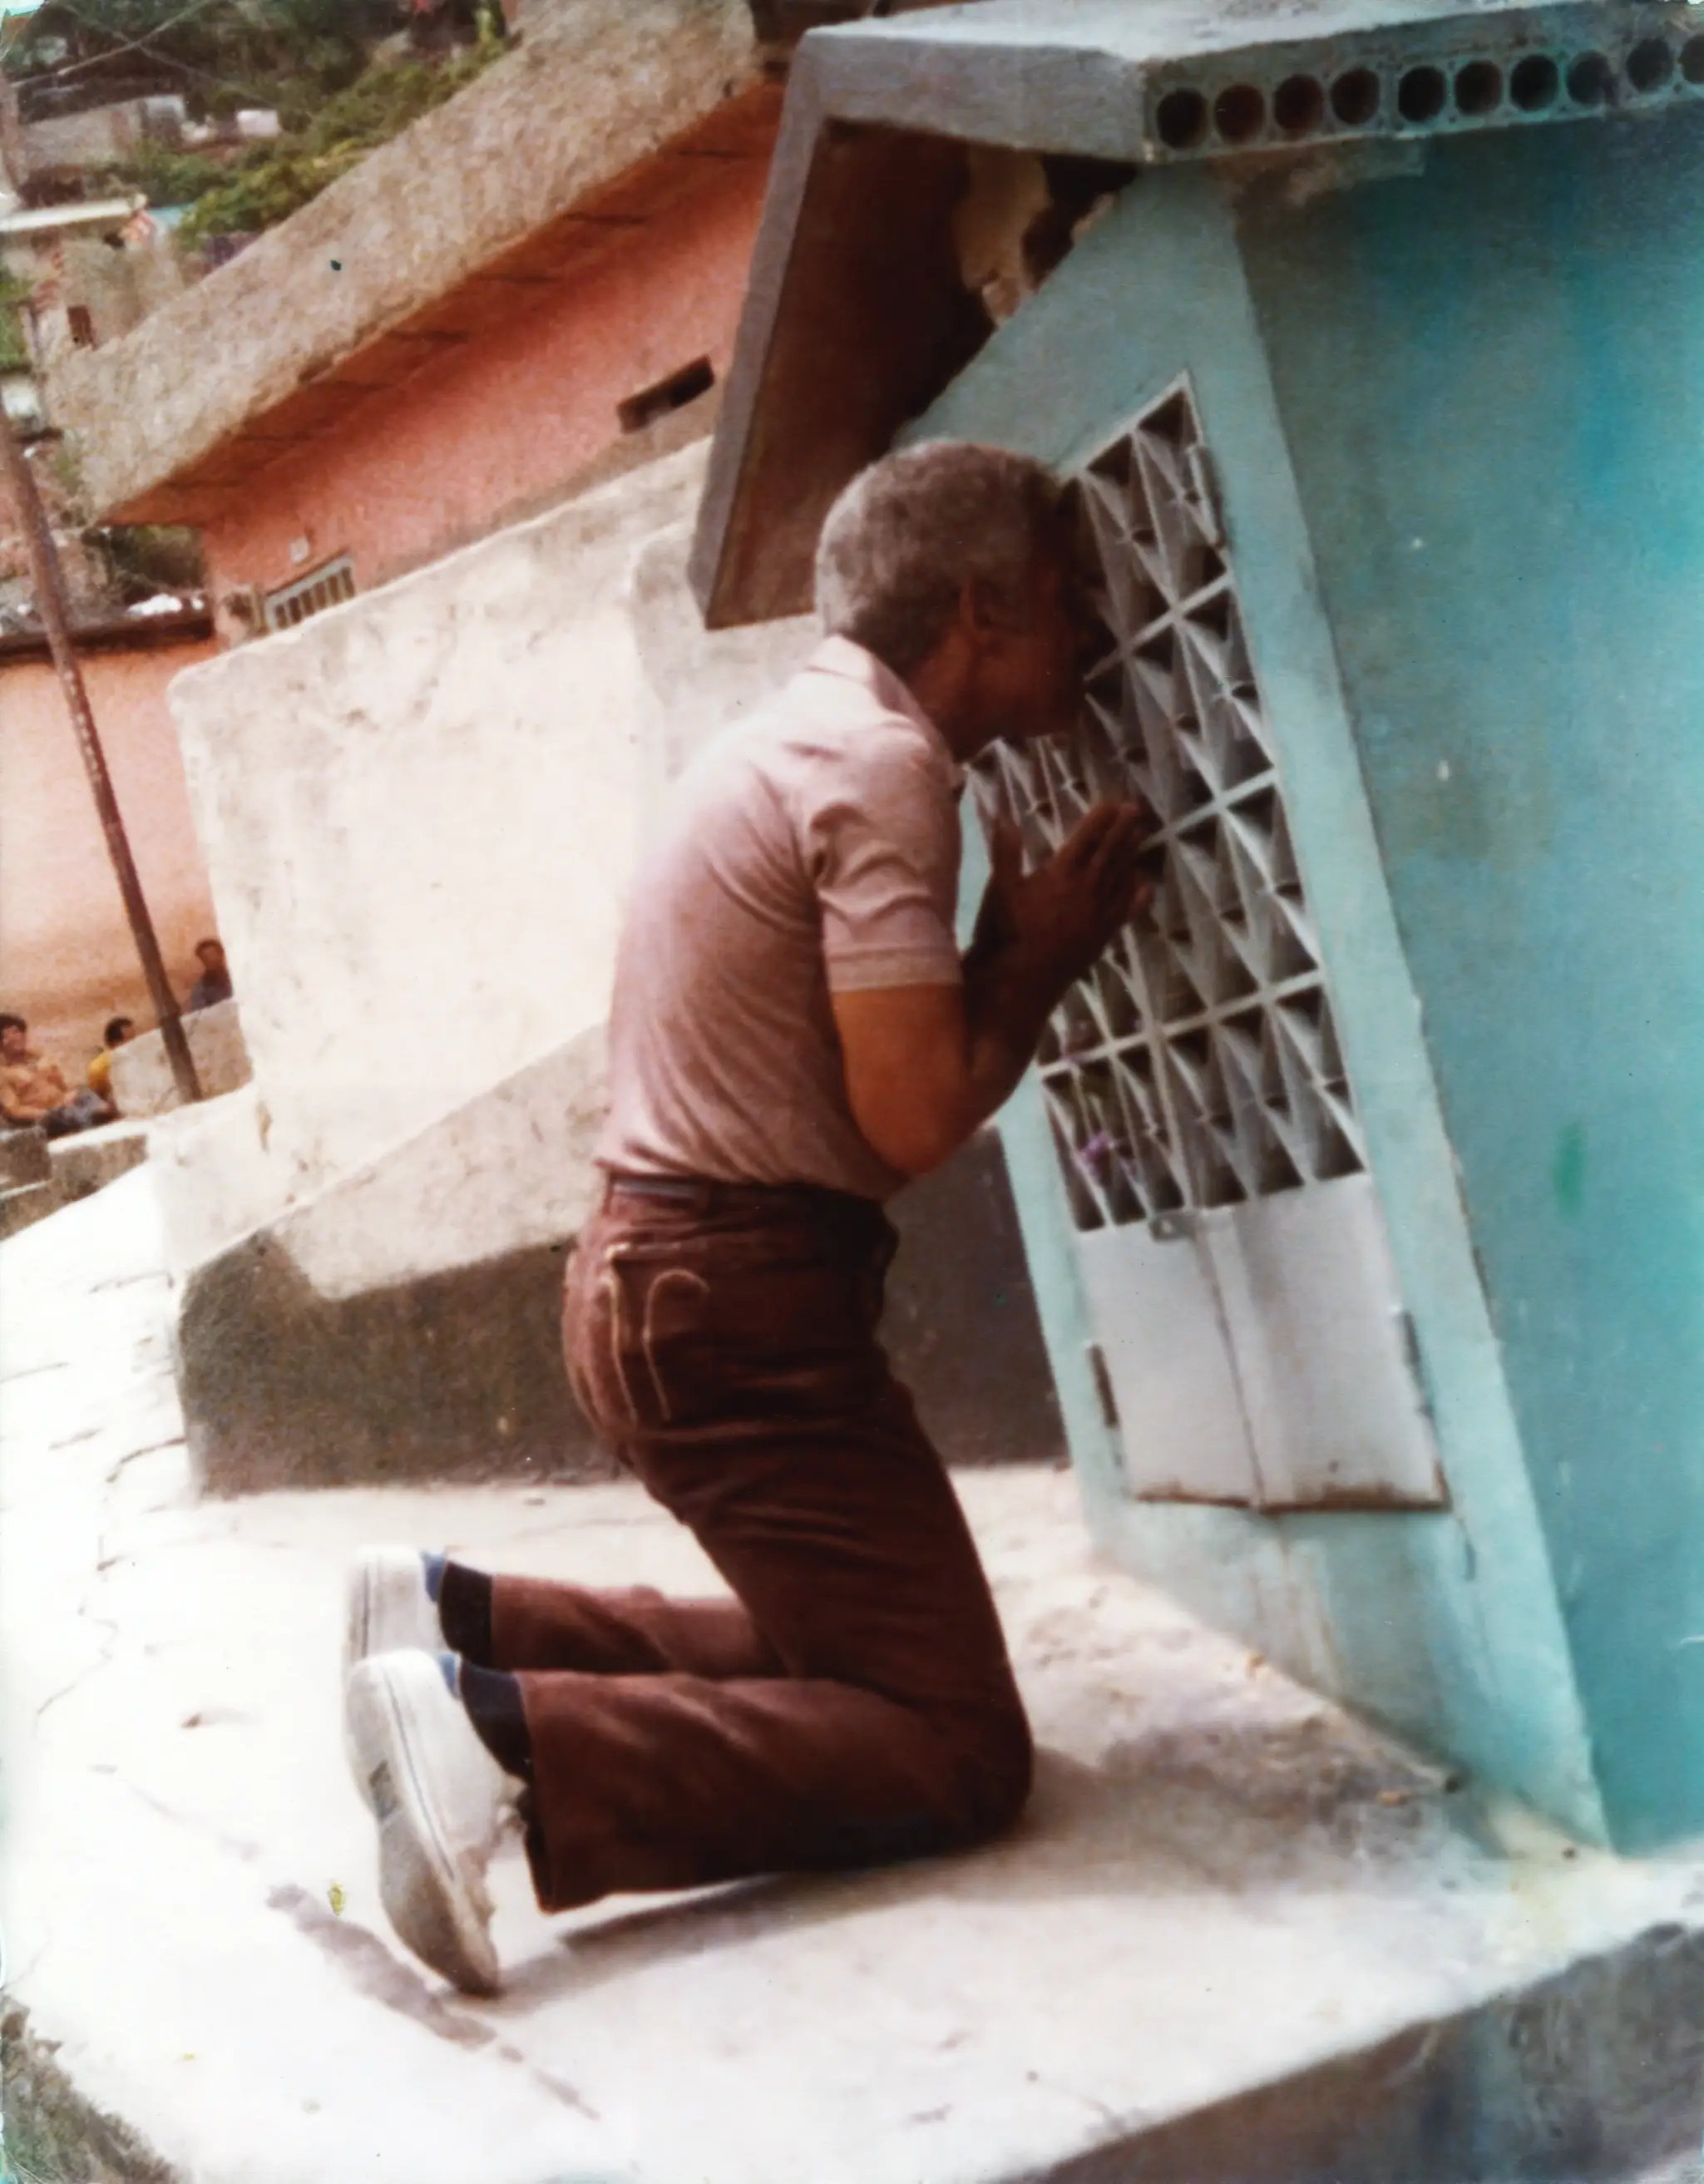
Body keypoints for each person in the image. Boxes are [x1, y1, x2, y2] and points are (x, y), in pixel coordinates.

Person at [342, 442, 1155, 1994]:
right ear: (978, 609)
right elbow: (908, 1117)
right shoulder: (881, 769)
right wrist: (1035, 954)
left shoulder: (791, 736)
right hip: (739, 1312)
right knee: (951, 1740)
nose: (1090, 639)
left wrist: (1002, 947)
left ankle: (451, 1617)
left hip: (662, 1281)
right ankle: (488, 1740)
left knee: (841, 1662)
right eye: (1064, 605)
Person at [1, 1014, 114, 1137]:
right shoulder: (3, 1073)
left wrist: (69, 1095)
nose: (13, 1038)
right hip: (42, 1119)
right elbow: (15, 1111)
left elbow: (62, 1086)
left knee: (82, 1090)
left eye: (15, 1032)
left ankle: (102, 1112)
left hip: (64, 1106)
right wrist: (47, 1113)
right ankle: (94, 1117)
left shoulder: (39, 1057)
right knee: (61, 1116)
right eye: (6, 1036)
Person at [86, 1015, 136, 1107]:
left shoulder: (138, 1057)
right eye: (131, 1040)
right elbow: (97, 1099)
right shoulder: (99, 1068)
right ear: (115, 1043)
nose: (136, 1042)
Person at [186, 939, 232, 1014]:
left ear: (222, 955)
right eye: (206, 957)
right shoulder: (200, 989)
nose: (212, 960)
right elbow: (200, 1015)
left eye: (214, 955)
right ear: (202, 960)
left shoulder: (236, 977)